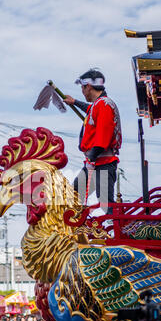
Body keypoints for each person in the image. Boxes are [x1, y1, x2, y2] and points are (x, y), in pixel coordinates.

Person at [64, 68, 122, 213]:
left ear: (87, 86)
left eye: (82, 89)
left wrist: (92, 156)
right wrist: (74, 102)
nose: (82, 92)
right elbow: (90, 109)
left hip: (101, 162)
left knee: (106, 204)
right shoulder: (99, 105)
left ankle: (121, 232)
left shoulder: (104, 105)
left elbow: (103, 138)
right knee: (73, 196)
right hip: (96, 162)